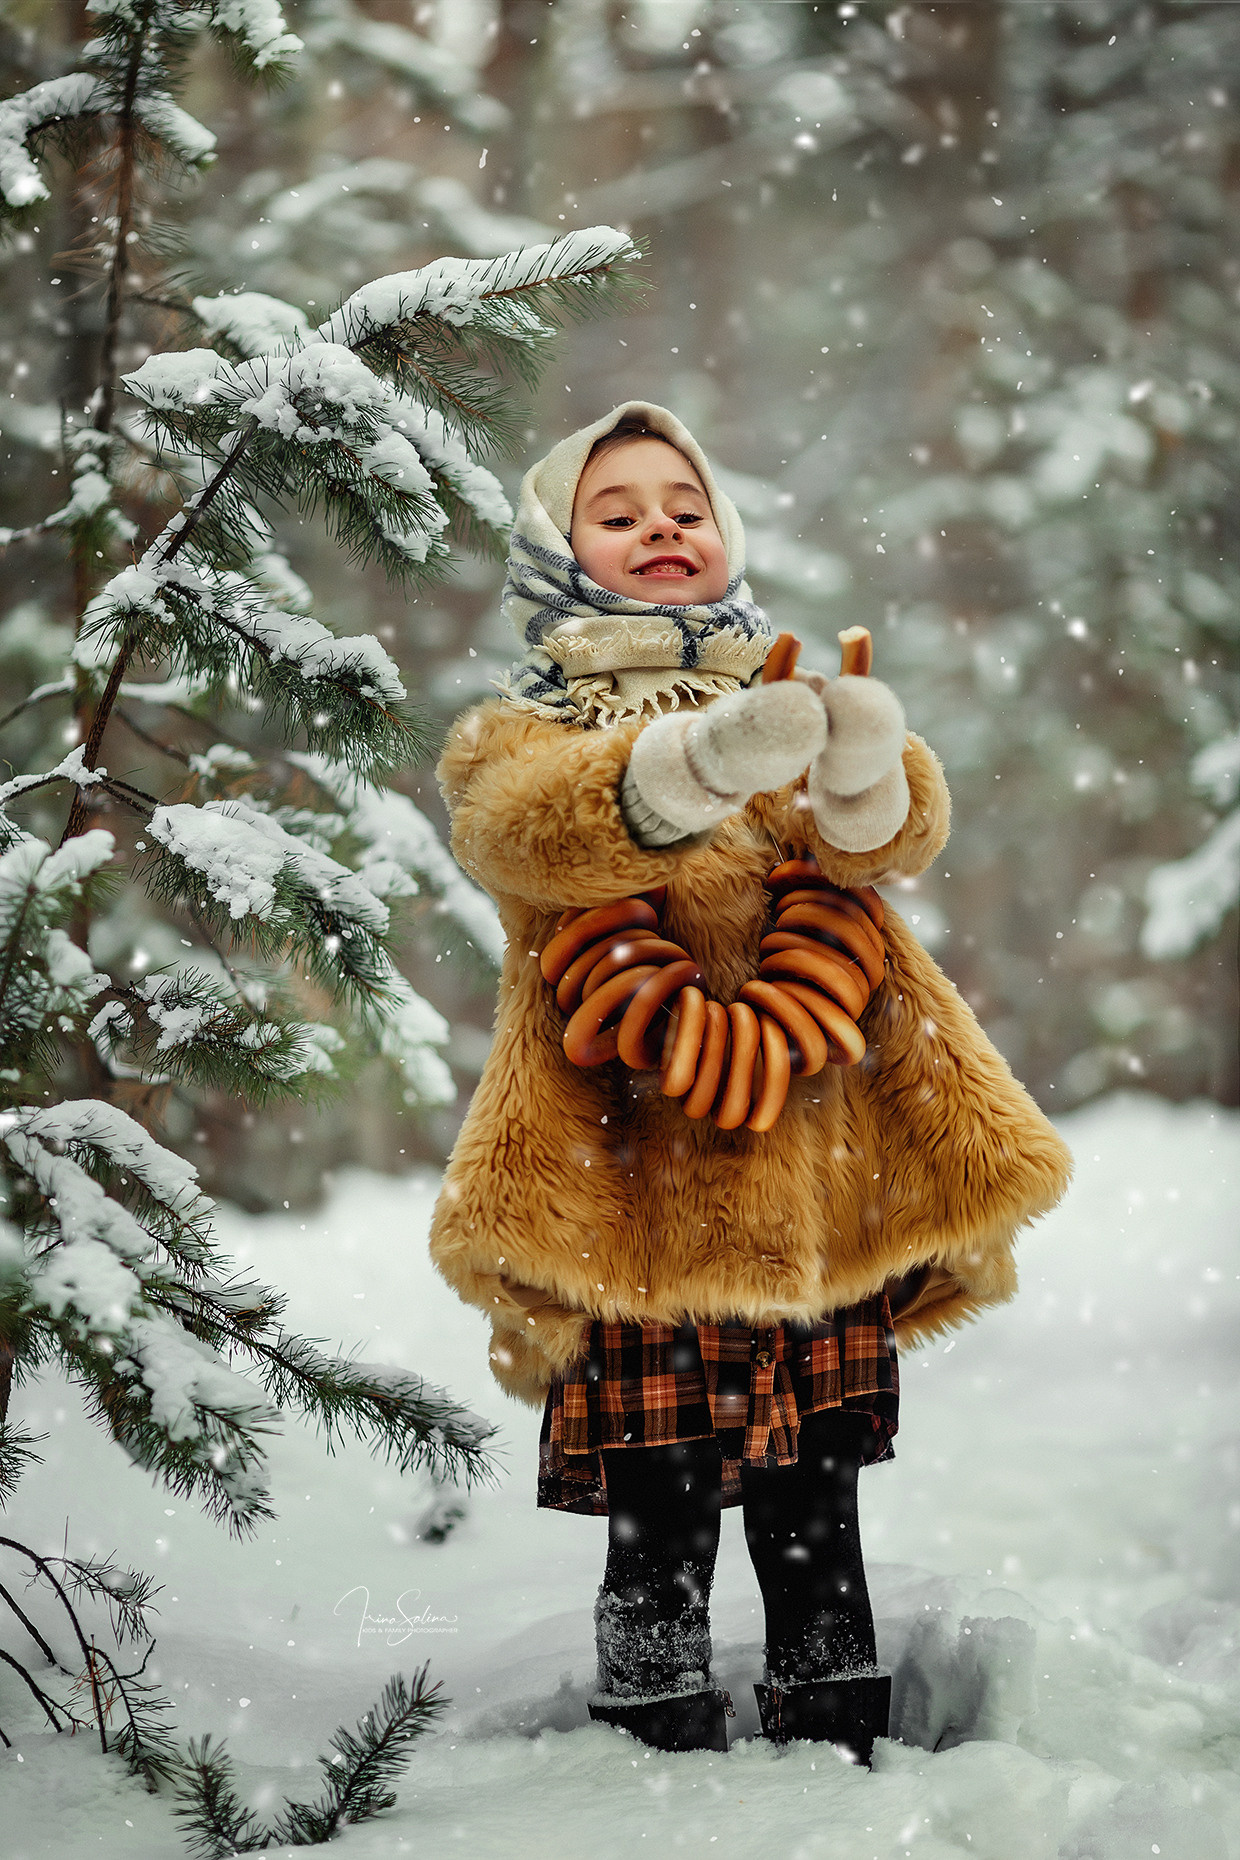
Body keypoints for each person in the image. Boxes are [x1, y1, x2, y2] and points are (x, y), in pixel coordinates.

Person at [429, 402, 1073, 1761]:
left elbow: (894, 838)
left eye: (686, 504)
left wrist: (851, 762)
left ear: (724, 540)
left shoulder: (789, 701)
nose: (662, 523)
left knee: (813, 1497)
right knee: (656, 1509)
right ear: (559, 554)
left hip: (817, 1195)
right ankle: (649, 1737)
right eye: (618, 511)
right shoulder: (520, 736)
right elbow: (532, 835)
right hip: (635, 1208)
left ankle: (837, 1731)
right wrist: (706, 761)